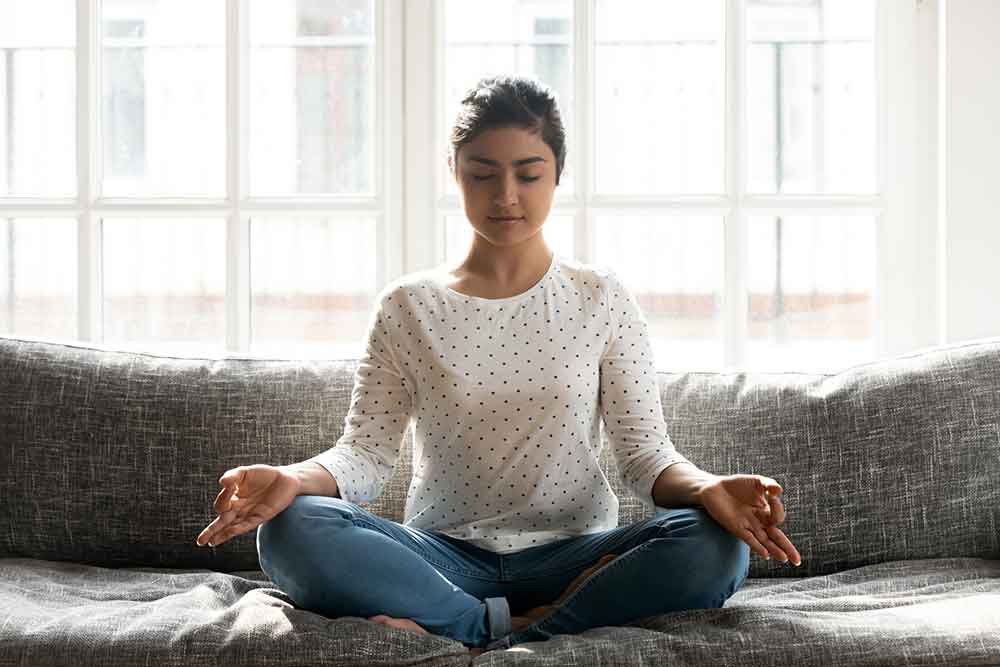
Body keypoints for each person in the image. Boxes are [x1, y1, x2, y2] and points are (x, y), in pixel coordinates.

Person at [195, 73, 802, 656]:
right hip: (440, 556)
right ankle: (515, 627)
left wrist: (707, 488)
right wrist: (294, 478)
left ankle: (472, 630)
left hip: (580, 557)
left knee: (714, 543)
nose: (506, 196)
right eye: (483, 174)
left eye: (528, 174)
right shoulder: (409, 305)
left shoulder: (601, 297)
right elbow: (366, 455)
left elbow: (645, 454)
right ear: (454, 173)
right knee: (291, 529)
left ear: (557, 174)